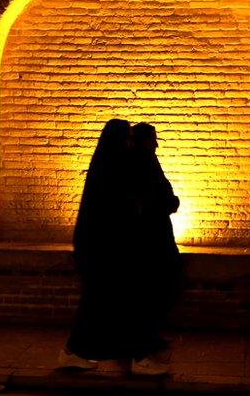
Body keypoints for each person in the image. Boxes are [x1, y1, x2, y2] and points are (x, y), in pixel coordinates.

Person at [58, 119, 137, 370]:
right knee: (94, 302)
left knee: (99, 302)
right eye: (126, 138)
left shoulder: (103, 166)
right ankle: (73, 350)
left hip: (97, 247)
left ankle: (84, 351)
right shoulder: (111, 169)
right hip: (100, 249)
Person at [127, 122, 181, 373]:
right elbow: (149, 201)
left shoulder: (144, 160)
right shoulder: (141, 163)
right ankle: (143, 347)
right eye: (153, 139)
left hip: (154, 235)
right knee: (152, 290)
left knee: (157, 288)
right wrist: (171, 203)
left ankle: (150, 338)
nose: (156, 143)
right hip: (150, 238)